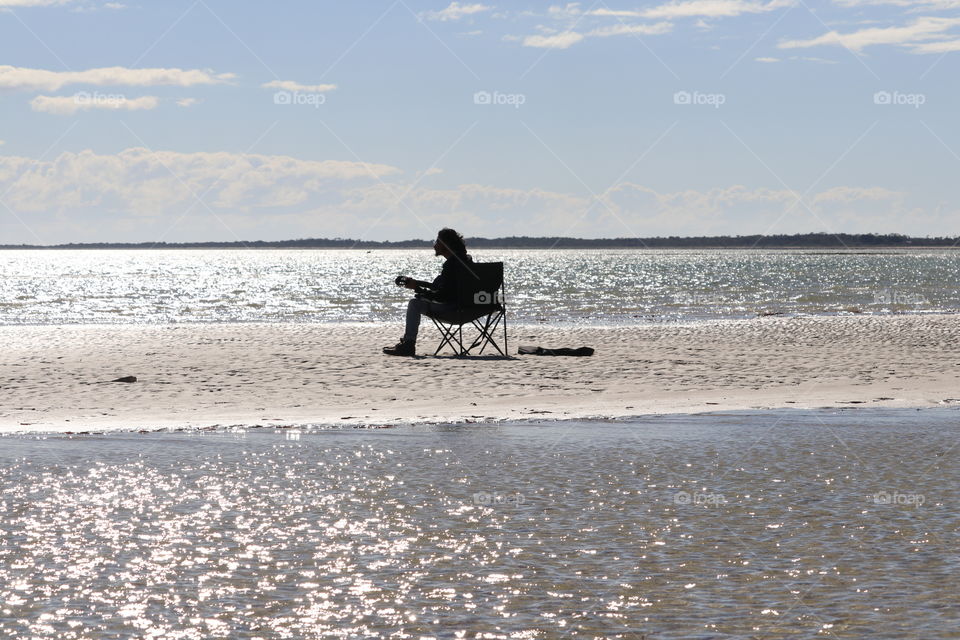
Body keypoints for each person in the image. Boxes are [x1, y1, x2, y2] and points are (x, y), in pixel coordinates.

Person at [383, 228, 473, 357]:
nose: (434, 245)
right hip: (470, 308)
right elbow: (443, 288)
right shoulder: (465, 261)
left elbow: (442, 296)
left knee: (414, 304)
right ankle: (407, 343)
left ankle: (408, 344)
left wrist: (418, 290)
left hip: (453, 310)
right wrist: (417, 283)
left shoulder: (450, 266)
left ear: (445, 245)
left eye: (437, 241)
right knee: (420, 299)